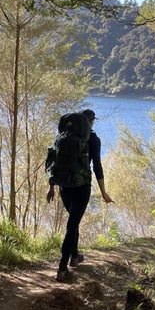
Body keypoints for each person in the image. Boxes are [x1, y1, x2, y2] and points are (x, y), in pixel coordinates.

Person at [47, 108, 114, 283]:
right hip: (82, 186)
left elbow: (54, 161)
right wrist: (104, 192)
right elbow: (97, 166)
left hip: (64, 186)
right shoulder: (93, 139)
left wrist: (52, 186)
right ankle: (62, 268)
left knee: (73, 221)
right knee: (72, 224)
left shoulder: (63, 137)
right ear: (90, 122)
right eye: (92, 121)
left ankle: (74, 256)